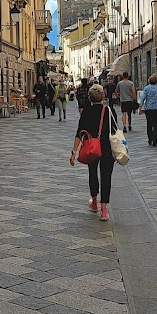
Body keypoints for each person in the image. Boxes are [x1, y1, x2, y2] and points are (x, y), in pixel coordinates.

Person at [70, 83, 116, 221]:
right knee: (106, 176)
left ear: (89, 98)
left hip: (91, 147)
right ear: (103, 96)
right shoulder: (108, 111)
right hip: (106, 148)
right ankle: (103, 211)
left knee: (92, 173)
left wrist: (74, 152)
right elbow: (114, 132)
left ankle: (94, 202)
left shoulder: (86, 112)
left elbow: (79, 133)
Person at [138, 74, 157, 147]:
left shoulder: (146, 88)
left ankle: (150, 138)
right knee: (156, 124)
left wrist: (140, 107)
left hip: (149, 109)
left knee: (149, 124)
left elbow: (143, 98)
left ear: (149, 81)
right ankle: (155, 140)